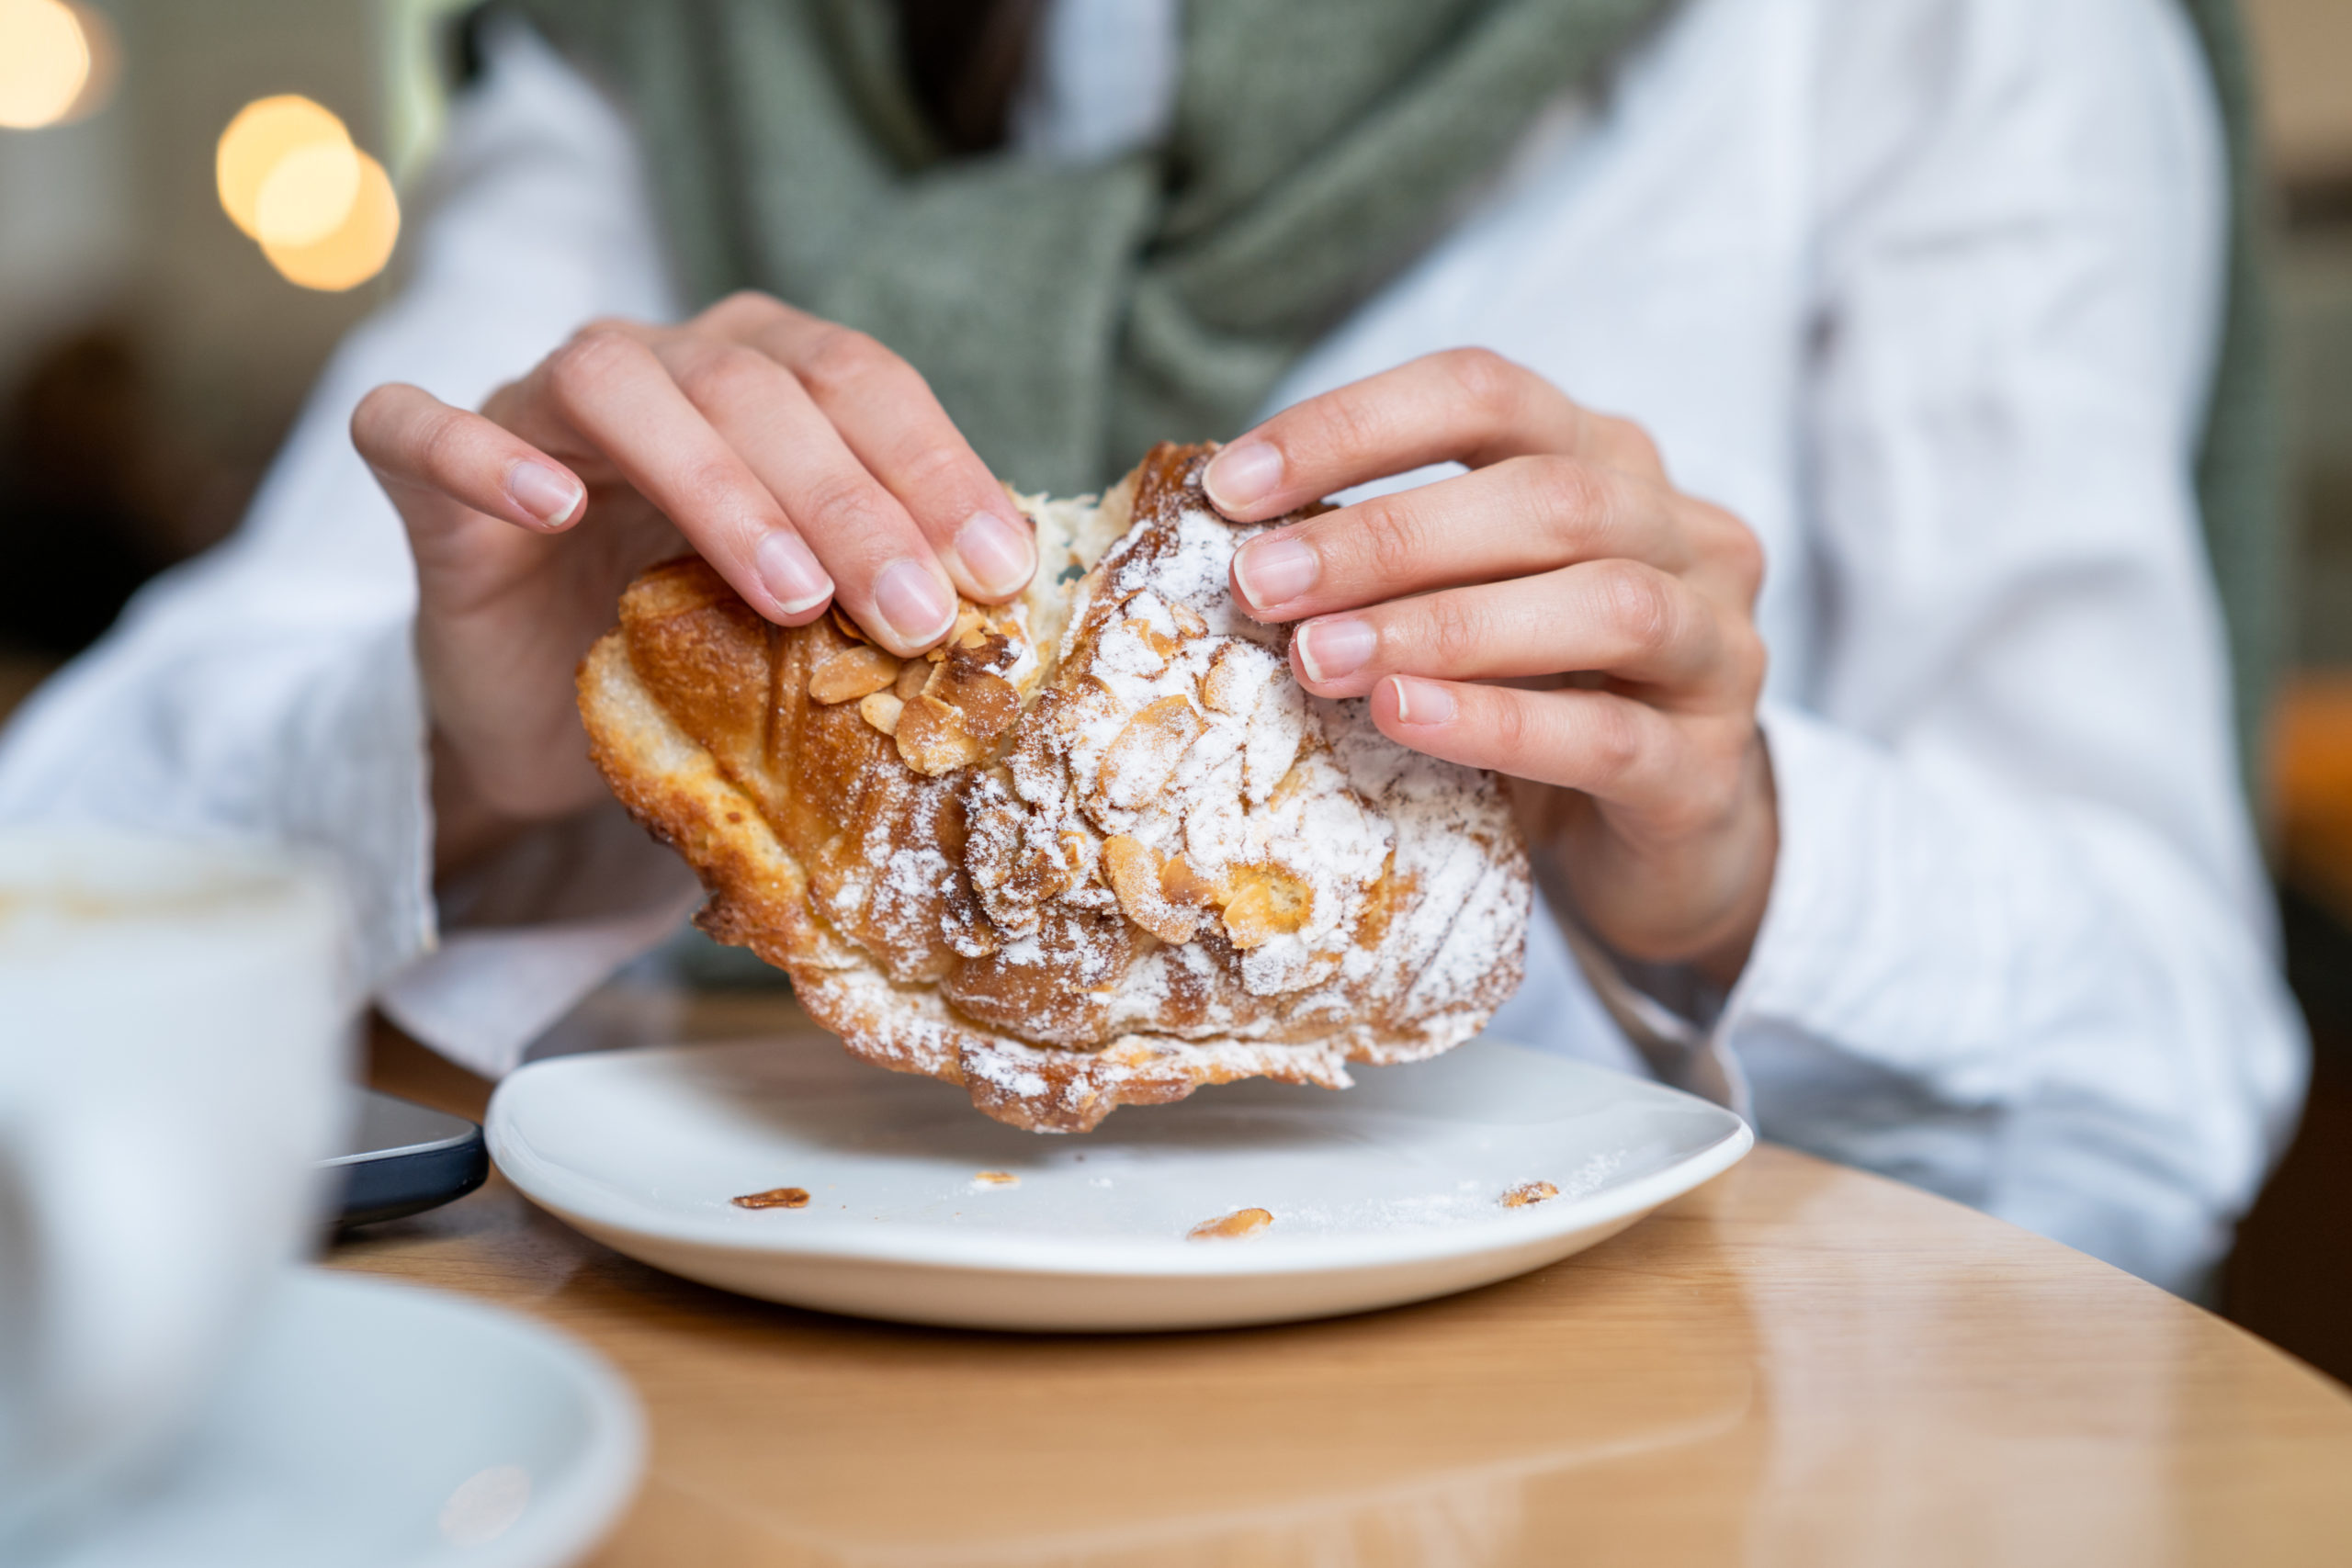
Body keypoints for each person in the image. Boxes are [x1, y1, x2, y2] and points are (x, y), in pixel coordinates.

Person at [0, 0, 2305, 1295]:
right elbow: (50, 882)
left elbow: (2161, 1093)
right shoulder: (675, 58)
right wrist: (454, 739)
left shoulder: (1948, 40)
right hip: (736, 1406)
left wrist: (1733, 854)